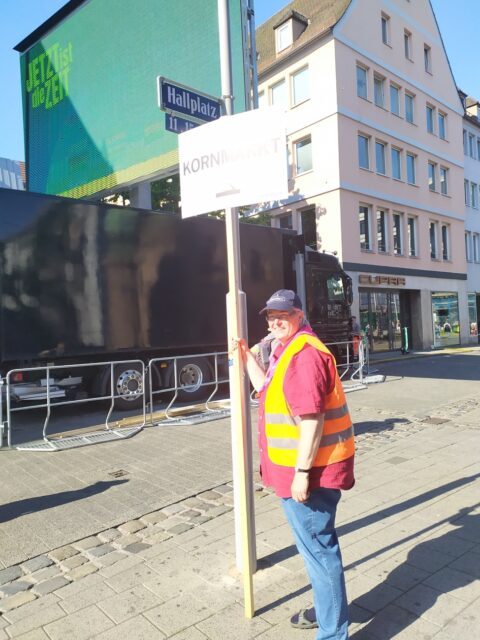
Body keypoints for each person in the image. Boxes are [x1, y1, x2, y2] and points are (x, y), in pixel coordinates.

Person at [235, 289, 355, 639]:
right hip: (298, 472)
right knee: (316, 552)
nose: (275, 322)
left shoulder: (304, 356)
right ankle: (326, 611)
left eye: (282, 316)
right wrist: (246, 358)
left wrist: (302, 475)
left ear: (299, 315)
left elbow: (312, 421)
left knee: (320, 554)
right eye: (271, 316)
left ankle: (333, 632)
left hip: (311, 476)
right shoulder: (286, 350)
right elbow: (266, 391)